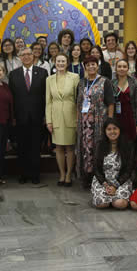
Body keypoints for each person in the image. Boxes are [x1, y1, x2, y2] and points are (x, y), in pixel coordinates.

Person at [9, 47, 48, 184]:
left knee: (35, 147)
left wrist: (45, 116)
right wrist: (12, 116)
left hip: (37, 117)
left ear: (33, 56)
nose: (26, 57)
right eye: (23, 55)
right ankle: (23, 174)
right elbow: (11, 97)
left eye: (29, 54)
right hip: (20, 118)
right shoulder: (13, 74)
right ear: (19, 57)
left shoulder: (43, 73)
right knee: (22, 147)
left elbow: (46, 96)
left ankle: (35, 175)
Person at [76, 56, 115, 187]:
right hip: (84, 123)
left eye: (94, 64)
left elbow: (110, 103)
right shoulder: (81, 82)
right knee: (85, 148)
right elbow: (78, 102)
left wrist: (109, 120)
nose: (91, 67)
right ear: (85, 67)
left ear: (97, 66)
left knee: (98, 147)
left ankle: (98, 178)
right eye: (88, 65)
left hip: (100, 121)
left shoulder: (105, 81)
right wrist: (78, 121)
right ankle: (86, 176)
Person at [45, 53, 80, 186]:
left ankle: (69, 175)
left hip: (71, 115)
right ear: (55, 62)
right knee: (59, 147)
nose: (60, 63)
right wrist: (49, 120)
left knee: (70, 147)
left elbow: (78, 99)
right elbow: (48, 101)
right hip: (56, 116)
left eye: (63, 61)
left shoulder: (75, 77)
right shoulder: (49, 79)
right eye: (58, 61)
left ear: (67, 63)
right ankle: (62, 174)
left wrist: (77, 118)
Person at [91, 118, 134, 209]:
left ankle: (114, 199)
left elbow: (128, 170)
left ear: (120, 130)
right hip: (103, 182)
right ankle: (108, 199)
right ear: (105, 131)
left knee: (120, 204)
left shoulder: (128, 145)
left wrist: (115, 186)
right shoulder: (99, 145)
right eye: (109, 129)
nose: (112, 132)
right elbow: (96, 168)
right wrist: (105, 184)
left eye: (115, 128)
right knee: (101, 204)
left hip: (121, 181)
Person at [112, 59, 137, 142]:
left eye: (124, 67)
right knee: (118, 142)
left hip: (131, 118)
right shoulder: (111, 83)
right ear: (116, 69)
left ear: (128, 69)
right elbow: (110, 104)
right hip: (117, 117)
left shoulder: (134, 83)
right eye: (119, 66)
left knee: (131, 143)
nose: (122, 69)